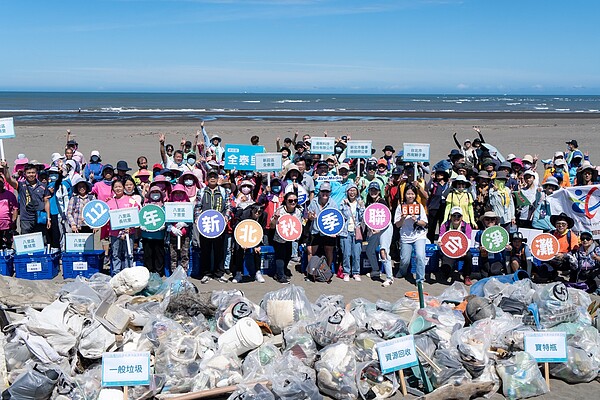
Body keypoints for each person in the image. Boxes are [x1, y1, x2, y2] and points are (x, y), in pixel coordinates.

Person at [194, 169, 231, 283]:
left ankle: (218, 273)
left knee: (219, 250)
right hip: (205, 226)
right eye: (210, 176)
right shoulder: (201, 191)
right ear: (207, 179)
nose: (212, 178)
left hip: (219, 226)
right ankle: (206, 273)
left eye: (214, 176)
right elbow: (198, 207)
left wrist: (226, 217)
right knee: (205, 250)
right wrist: (197, 218)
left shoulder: (224, 191)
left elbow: (228, 207)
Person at [395, 185, 428, 283]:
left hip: (419, 235)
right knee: (405, 260)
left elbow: (424, 223)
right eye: (408, 194)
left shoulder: (419, 206)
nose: (410, 196)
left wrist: (416, 220)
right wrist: (403, 218)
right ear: (404, 195)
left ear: (415, 195)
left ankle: (420, 280)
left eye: (412, 194)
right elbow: (397, 225)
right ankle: (402, 271)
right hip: (405, 236)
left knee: (420, 256)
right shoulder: (400, 207)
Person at [363, 182, 394, 287]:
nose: (373, 192)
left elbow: (386, 219)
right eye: (371, 190)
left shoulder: (382, 202)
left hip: (385, 228)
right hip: (375, 229)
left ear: (379, 191)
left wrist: (379, 230)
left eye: (375, 190)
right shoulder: (369, 203)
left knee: (383, 251)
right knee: (369, 250)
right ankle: (376, 270)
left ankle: (390, 278)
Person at [5, 162, 47, 235]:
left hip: (39, 218)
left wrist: (48, 218)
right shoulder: (21, 185)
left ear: (36, 173)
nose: (31, 175)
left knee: (40, 242)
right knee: (26, 240)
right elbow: (9, 180)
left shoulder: (42, 186)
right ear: (25, 174)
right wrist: (5, 168)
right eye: (29, 173)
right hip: (25, 219)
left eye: (33, 172)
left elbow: (46, 202)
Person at [270, 192, 303, 284]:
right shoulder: (280, 210)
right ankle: (280, 275)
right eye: (290, 200)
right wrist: (275, 219)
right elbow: (272, 226)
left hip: (290, 237)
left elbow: (299, 225)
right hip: (279, 237)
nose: (293, 202)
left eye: (295, 200)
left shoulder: (298, 211)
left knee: (288, 255)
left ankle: (284, 270)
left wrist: (296, 237)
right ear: (285, 201)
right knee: (280, 256)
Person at [106, 180, 138, 274]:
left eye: (120, 186)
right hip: (115, 233)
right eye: (115, 187)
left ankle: (129, 273)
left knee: (129, 253)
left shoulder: (131, 200)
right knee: (116, 254)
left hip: (129, 232)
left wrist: (131, 227)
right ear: (113, 189)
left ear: (123, 187)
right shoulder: (109, 202)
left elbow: (136, 215)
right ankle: (116, 273)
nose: (118, 189)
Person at [232, 204, 267, 284]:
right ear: (251, 210)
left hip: (255, 235)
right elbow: (237, 229)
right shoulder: (244, 215)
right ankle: (238, 273)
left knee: (258, 251)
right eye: (255, 211)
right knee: (238, 250)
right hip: (242, 234)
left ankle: (257, 272)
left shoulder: (263, 216)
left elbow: (262, 230)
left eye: (260, 212)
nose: (257, 213)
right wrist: (241, 243)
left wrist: (257, 244)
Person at [438, 206, 473, 285]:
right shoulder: (445, 225)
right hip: (449, 250)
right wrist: (440, 243)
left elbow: (468, 240)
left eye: (458, 216)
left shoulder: (466, 226)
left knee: (469, 256)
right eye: (454, 215)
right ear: (451, 216)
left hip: (462, 250)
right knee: (445, 266)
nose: (456, 218)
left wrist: (464, 251)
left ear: (462, 217)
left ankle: (467, 276)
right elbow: (441, 238)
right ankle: (446, 272)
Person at [306, 182, 338, 269]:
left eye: (327, 192)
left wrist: (334, 231)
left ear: (330, 192)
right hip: (315, 230)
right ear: (320, 192)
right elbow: (309, 215)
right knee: (310, 251)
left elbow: (336, 218)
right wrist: (311, 217)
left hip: (328, 231)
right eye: (323, 191)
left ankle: (327, 270)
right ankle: (310, 271)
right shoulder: (314, 201)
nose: (325, 193)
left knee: (329, 250)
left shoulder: (333, 204)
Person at [339, 183, 365, 281]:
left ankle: (356, 272)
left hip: (356, 230)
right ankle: (346, 272)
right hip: (345, 231)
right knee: (346, 253)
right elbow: (342, 216)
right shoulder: (343, 202)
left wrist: (361, 207)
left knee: (356, 253)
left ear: (357, 192)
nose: (352, 192)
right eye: (350, 190)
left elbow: (363, 217)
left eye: (354, 190)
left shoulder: (360, 202)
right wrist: (346, 205)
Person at [141, 185, 167, 276]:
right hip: (146, 234)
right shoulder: (145, 205)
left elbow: (167, 218)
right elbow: (140, 216)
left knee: (159, 254)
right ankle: (149, 272)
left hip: (159, 235)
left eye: (157, 193)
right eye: (153, 193)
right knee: (148, 254)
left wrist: (164, 225)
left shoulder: (164, 206)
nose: (155, 195)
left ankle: (159, 273)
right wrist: (141, 225)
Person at [44, 166, 71, 251]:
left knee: (57, 234)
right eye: (51, 173)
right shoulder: (45, 185)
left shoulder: (58, 185)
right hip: (45, 213)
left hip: (55, 212)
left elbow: (58, 181)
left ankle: (59, 250)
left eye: (55, 173)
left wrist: (60, 173)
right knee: (48, 234)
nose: (53, 175)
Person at [475, 211, 508, 277]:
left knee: (495, 272)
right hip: (484, 258)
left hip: (497, 258)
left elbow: (506, 245)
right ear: (483, 221)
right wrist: (480, 248)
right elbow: (476, 246)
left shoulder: (501, 232)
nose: (490, 221)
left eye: (492, 219)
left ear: (495, 221)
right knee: (485, 275)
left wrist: (508, 248)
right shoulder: (480, 233)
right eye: (487, 219)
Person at [167, 184, 192, 273]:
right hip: (173, 234)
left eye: (180, 193)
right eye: (176, 193)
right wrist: (171, 228)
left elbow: (192, 219)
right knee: (173, 255)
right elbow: (166, 220)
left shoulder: (188, 205)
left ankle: (184, 273)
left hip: (185, 235)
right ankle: (173, 273)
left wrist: (185, 223)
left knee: (184, 254)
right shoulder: (169, 205)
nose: (178, 194)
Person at [426, 168, 449, 242]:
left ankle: (442, 242)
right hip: (434, 207)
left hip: (444, 207)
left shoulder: (447, 184)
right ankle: (430, 243)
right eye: (438, 174)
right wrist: (431, 179)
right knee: (431, 226)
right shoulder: (434, 184)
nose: (439, 175)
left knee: (443, 226)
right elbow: (428, 187)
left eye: (441, 174)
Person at [0, 171, 18, 249]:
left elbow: (15, 209)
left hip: (7, 226)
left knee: (7, 246)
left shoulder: (10, 195)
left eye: (0, 182)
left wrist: (14, 221)